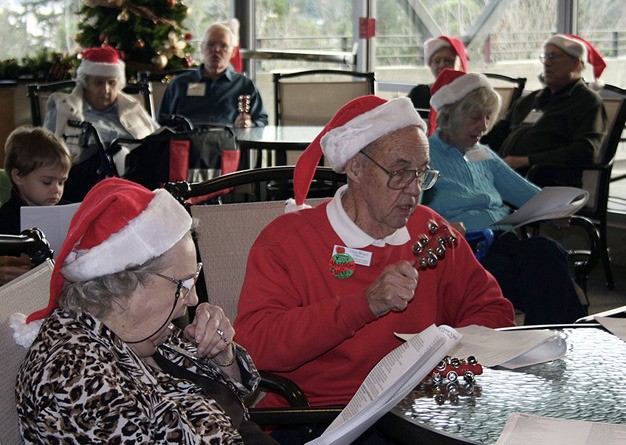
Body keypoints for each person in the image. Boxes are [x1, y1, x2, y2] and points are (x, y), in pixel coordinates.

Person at [234, 96, 515, 413]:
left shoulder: (430, 230)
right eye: (400, 172)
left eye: (421, 172)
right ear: (355, 167)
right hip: (320, 413)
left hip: (421, 407)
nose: (414, 190)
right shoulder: (289, 241)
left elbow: (492, 310)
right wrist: (364, 304)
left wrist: (447, 360)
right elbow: (253, 346)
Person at [13, 177, 278, 444]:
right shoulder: (75, 376)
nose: (193, 299)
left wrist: (223, 355)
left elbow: (240, 390)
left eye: (193, 279)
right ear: (124, 285)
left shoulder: (137, 331)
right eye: (182, 284)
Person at [423, 68, 586, 325]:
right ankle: (557, 336)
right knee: (537, 278)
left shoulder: (482, 154)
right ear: (448, 115)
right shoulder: (425, 155)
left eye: (488, 118)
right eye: (476, 117)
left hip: (503, 240)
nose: (484, 127)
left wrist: (556, 210)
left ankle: (552, 338)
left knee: (547, 250)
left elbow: (528, 196)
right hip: (464, 248)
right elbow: (410, 214)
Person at [482, 34, 607, 187]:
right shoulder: (530, 100)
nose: (546, 63)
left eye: (553, 57)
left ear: (575, 64)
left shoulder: (586, 101)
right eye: (545, 56)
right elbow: (498, 134)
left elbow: (586, 151)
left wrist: (525, 160)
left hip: (545, 182)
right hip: (504, 175)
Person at [44, 46, 158, 202]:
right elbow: (45, 153)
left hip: (138, 181)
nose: (106, 90)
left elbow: (157, 140)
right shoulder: (64, 109)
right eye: (98, 83)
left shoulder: (132, 108)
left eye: (111, 83)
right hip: (86, 185)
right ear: (85, 83)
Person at [158, 22, 269, 127]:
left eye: (223, 46)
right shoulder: (179, 84)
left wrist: (249, 125)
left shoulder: (244, 85)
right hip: (186, 144)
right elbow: (161, 122)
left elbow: (262, 120)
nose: (216, 49)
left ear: (233, 52)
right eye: (211, 44)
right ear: (202, 48)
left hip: (228, 144)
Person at [0, 126, 72, 286]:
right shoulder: (4, 219)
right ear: (18, 176)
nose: (57, 189)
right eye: (47, 182)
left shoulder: (70, 212)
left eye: (62, 182)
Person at [408, 35, 468, 121]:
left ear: (460, 65)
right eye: (437, 61)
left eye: (448, 60)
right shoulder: (418, 94)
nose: (442, 65)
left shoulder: (470, 95)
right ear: (430, 65)